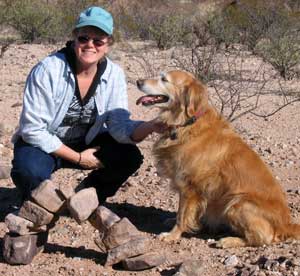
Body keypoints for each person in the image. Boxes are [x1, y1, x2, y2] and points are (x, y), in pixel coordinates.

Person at [10, 6, 166, 204]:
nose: (90, 45)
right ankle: (40, 206)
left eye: (98, 40)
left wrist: (151, 126)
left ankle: (86, 198)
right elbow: (32, 130)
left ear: (108, 44)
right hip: (46, 143)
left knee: (129, 157)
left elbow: (119, 127)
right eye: (84, 38)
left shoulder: (114, 74)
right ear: (75, 39)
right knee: (29, 170)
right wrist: (78, 158)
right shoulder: (48, 70)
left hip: (87, 140)